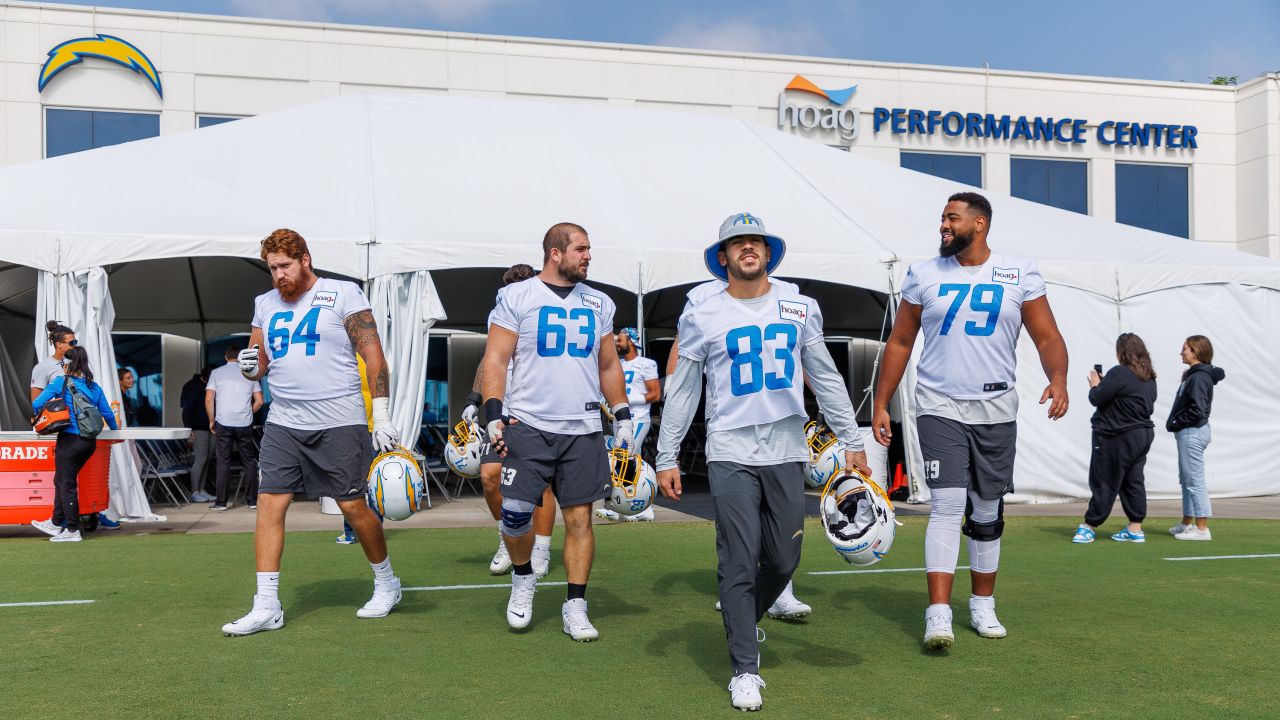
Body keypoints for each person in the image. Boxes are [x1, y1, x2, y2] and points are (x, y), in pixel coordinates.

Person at [656, 212, 869, 712]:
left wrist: (851, 438)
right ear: (723, 257)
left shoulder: (800, 307)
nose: (748, 249)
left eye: (756, 242)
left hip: (787, 448)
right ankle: (744, 669)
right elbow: (684, 391)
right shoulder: (702, 314)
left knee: (782, 558)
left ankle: (741, 617)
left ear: (768, 253)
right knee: (737, 556)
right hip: (730, 448)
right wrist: (666, 454)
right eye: (738, 243)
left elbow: (826, 375)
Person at [872, 192, 1069, 651]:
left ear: (979, 224)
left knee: (985, 509)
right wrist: (881, 404)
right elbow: (901, 341)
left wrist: (1057, 378)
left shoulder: (1019, 271)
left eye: (952, 218)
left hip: (996, 407)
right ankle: (937, 614)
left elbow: (1047, 335)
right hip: (940, 404)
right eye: (942, 217)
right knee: (946, 504)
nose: (943, 225)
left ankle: (982, 604)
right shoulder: (923, 274)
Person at [221, 228, 402, 636]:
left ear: (305, 259)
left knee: (353, 507)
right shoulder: (264, 303)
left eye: (284, 266)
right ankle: (266, 604)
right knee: (270, 504)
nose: (278, 275)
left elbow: (374, 357)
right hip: (284, 421)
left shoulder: (343, 294)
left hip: (339, 419)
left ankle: (387, 583)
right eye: (271, 268)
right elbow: (259, 361)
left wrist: (383, 414)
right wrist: (251, 368)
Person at [479, 222, 628, 642]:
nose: (588, 256)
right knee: (515, 515)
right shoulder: (515, 296)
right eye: (581, 249)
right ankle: (523, 577)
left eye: (589, 249)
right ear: (555, 253)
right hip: (528, 423)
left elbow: (607, 365)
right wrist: (492, 412)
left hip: (581, 427)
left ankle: (575, 604)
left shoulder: (599, 302)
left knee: (581, 519)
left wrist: (623, 414)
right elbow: (495, 358)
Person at [668, 278, 817, 622]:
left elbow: (803, 353)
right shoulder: (703, 297)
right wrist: (675, 388)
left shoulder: (789, 295)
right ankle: (743, 599)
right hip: (731, 434)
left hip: (780, 434)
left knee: (780, 535)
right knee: (741, 532)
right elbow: (682, 351)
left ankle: (777, 591)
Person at [459, 263, 561, 576]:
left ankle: (541, 549)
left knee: (540, 486)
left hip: (535, 409)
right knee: (490, 477)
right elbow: (490, 361)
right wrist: (474, 401)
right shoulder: (503, 311)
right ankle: (508, 536)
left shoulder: (547, 309)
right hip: (503, 411)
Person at [1072, 333, 1157, 544]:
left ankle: (1089, 526)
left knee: (1104, 479)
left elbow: (1097, 398)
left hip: (1116, 435)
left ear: (1122, 352)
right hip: (1142, 435)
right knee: (1133, 481)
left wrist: (1094, 384)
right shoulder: (1149, 376)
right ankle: (1135, 527)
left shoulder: (1119, 372)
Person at [29, 346, 119, 543]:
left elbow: (36, 404)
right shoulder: (93, 385)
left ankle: (71, 529)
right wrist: (114, 429)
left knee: (66, 483)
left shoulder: (62, 381)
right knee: (61, 480)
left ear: (66, 364)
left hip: (70, 440)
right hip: (89, 442)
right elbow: (107, 413)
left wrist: (57, 405)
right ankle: (55, 521)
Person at [595, 326, 661, 522]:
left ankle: (644, 506)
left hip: (637, 418)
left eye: (620, 339)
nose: (617, 343)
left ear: (631, 341)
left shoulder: (646, 363)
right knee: (618, 463)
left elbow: (655, 394)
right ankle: (620, 505)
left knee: (630, 461)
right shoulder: (617, 364)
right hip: (619, 419)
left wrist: (627, 399)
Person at [1166, 335, 1224, 541]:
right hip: (1189, 431)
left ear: (1196, 351)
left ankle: (1201, 529)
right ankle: (1186, 523)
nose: (1181, 352)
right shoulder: (1194, 375)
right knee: (1187, 479)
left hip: (1192, 431)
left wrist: (1176, 422)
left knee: (1194, 481)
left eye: (1185, 349)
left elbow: (1198, 411)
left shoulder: (1199, 377)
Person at [206, 346, 265, 511]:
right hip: (244, 422)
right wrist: (248, 412)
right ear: (240, 358)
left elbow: (209, 400)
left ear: (226, 357)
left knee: (223, 462)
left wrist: (211, 420)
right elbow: (260, 401)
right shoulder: (249, 374)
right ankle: (252, 501)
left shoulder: (216, 373)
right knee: (249, 462)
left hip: (223, 421)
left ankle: (221, 502)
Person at [180, 366, 216, 503]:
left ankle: (202, 490)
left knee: (207, 459)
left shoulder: (210, 386)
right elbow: (186, 410)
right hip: (197, 427)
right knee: (200, 459)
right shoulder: (192, 386)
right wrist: (189, 430)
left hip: (211, 426)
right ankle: (194, 491)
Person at [31, 320, 75, 402]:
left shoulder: (78, 362)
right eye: (72, 343)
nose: (75, 345)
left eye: (75, 342)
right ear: (59, 344)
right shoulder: (42, 367)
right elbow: (36, 402)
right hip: (62, 413)